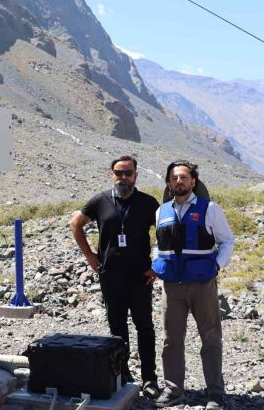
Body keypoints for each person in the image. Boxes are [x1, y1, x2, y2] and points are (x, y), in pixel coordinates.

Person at [70, 155, 161, 398]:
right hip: (110, 275)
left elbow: (166, 233)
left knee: (144, 327)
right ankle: (123, 375)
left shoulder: (148, 203)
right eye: (118, 173)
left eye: (128, 173)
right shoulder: (100, 201)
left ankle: (149, 378)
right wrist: (90, 257)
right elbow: (75, 224)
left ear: (136, 175)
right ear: (112, 174)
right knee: (118, 329)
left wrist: (158, 266)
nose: (123, 177)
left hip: (141, 276)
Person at [152, 161, 235, 410]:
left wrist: (216, 267)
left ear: (193, 182)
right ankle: (174, 390)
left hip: (202, 284)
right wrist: (157, 261)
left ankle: (215, 393)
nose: (179, 181)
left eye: (184, 177)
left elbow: (227, 241)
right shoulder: (162, 212)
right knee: (171, 340)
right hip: (172, 287)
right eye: (174, 178)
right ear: (168, 183)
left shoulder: (210, 209)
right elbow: (159, 244)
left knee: (210, 337)